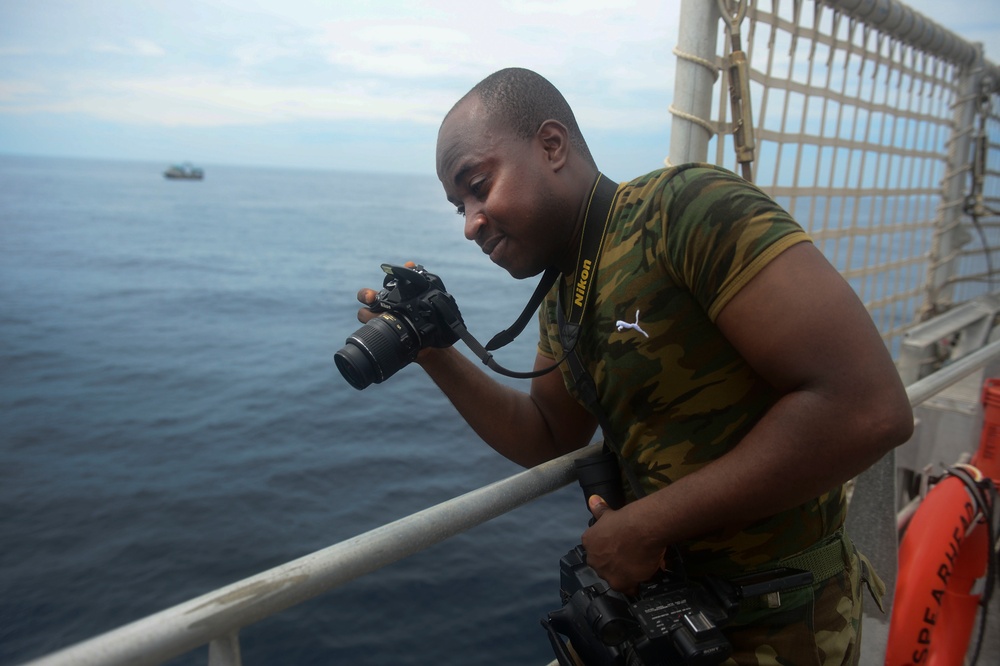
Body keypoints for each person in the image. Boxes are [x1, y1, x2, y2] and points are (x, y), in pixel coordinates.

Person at [355, 67, 913, 664]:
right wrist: (431, 351)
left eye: (479, 186)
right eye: (458, 205)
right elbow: (547, 433)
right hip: (678, 623)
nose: (470, 223)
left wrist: (647, 525)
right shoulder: (566, 288)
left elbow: (867, 408)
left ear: (551, 146)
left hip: (784, 621)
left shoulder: (685, 209)